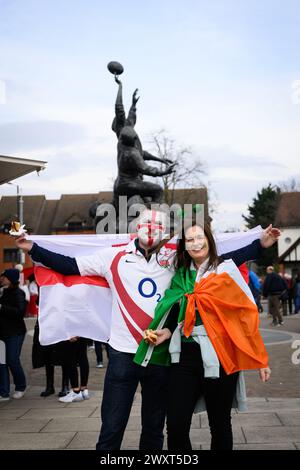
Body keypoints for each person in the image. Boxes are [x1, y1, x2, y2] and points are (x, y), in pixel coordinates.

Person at [15, 208, 280, 450]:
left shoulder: (174, 258)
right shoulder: (113, 256)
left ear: (165, 232)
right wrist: (32, 248)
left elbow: (216, 260)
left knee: (154, 431)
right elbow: (70, 265)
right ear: (136, 227)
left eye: (158, 224)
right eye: (146, 222)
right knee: (111, 430)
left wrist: (259, 246)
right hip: (122, 354)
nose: (151, 227)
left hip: (160, 356)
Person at [134, 219, 271, 450]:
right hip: (184, 357)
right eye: (190, 240)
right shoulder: (180, 277)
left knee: (219, 425)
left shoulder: (226, 272)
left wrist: (260, 358)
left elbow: (244, 316)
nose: (196, 243)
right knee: (176, 426)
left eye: (200, 238)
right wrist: (166, 332)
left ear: (209, 241)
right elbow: (174, 310)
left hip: (221, 355)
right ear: (184, 246)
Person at [0, 269, 27, 400]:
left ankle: (21, 386)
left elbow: (20, 312)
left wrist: (2, 308)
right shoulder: (3, 292)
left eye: (4, 277)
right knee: (1, 362)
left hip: (15, 333)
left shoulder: (18, 293)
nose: (1, 279)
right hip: (2, 333)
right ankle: (3, 392)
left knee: (12, 360)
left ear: (10, 279)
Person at [58, 336, 90, 403]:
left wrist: (69, 334)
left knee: (70, 358)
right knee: (83, 356)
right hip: (83, 331)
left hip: (72, 332)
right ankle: (84, 390)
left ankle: (76, 391)